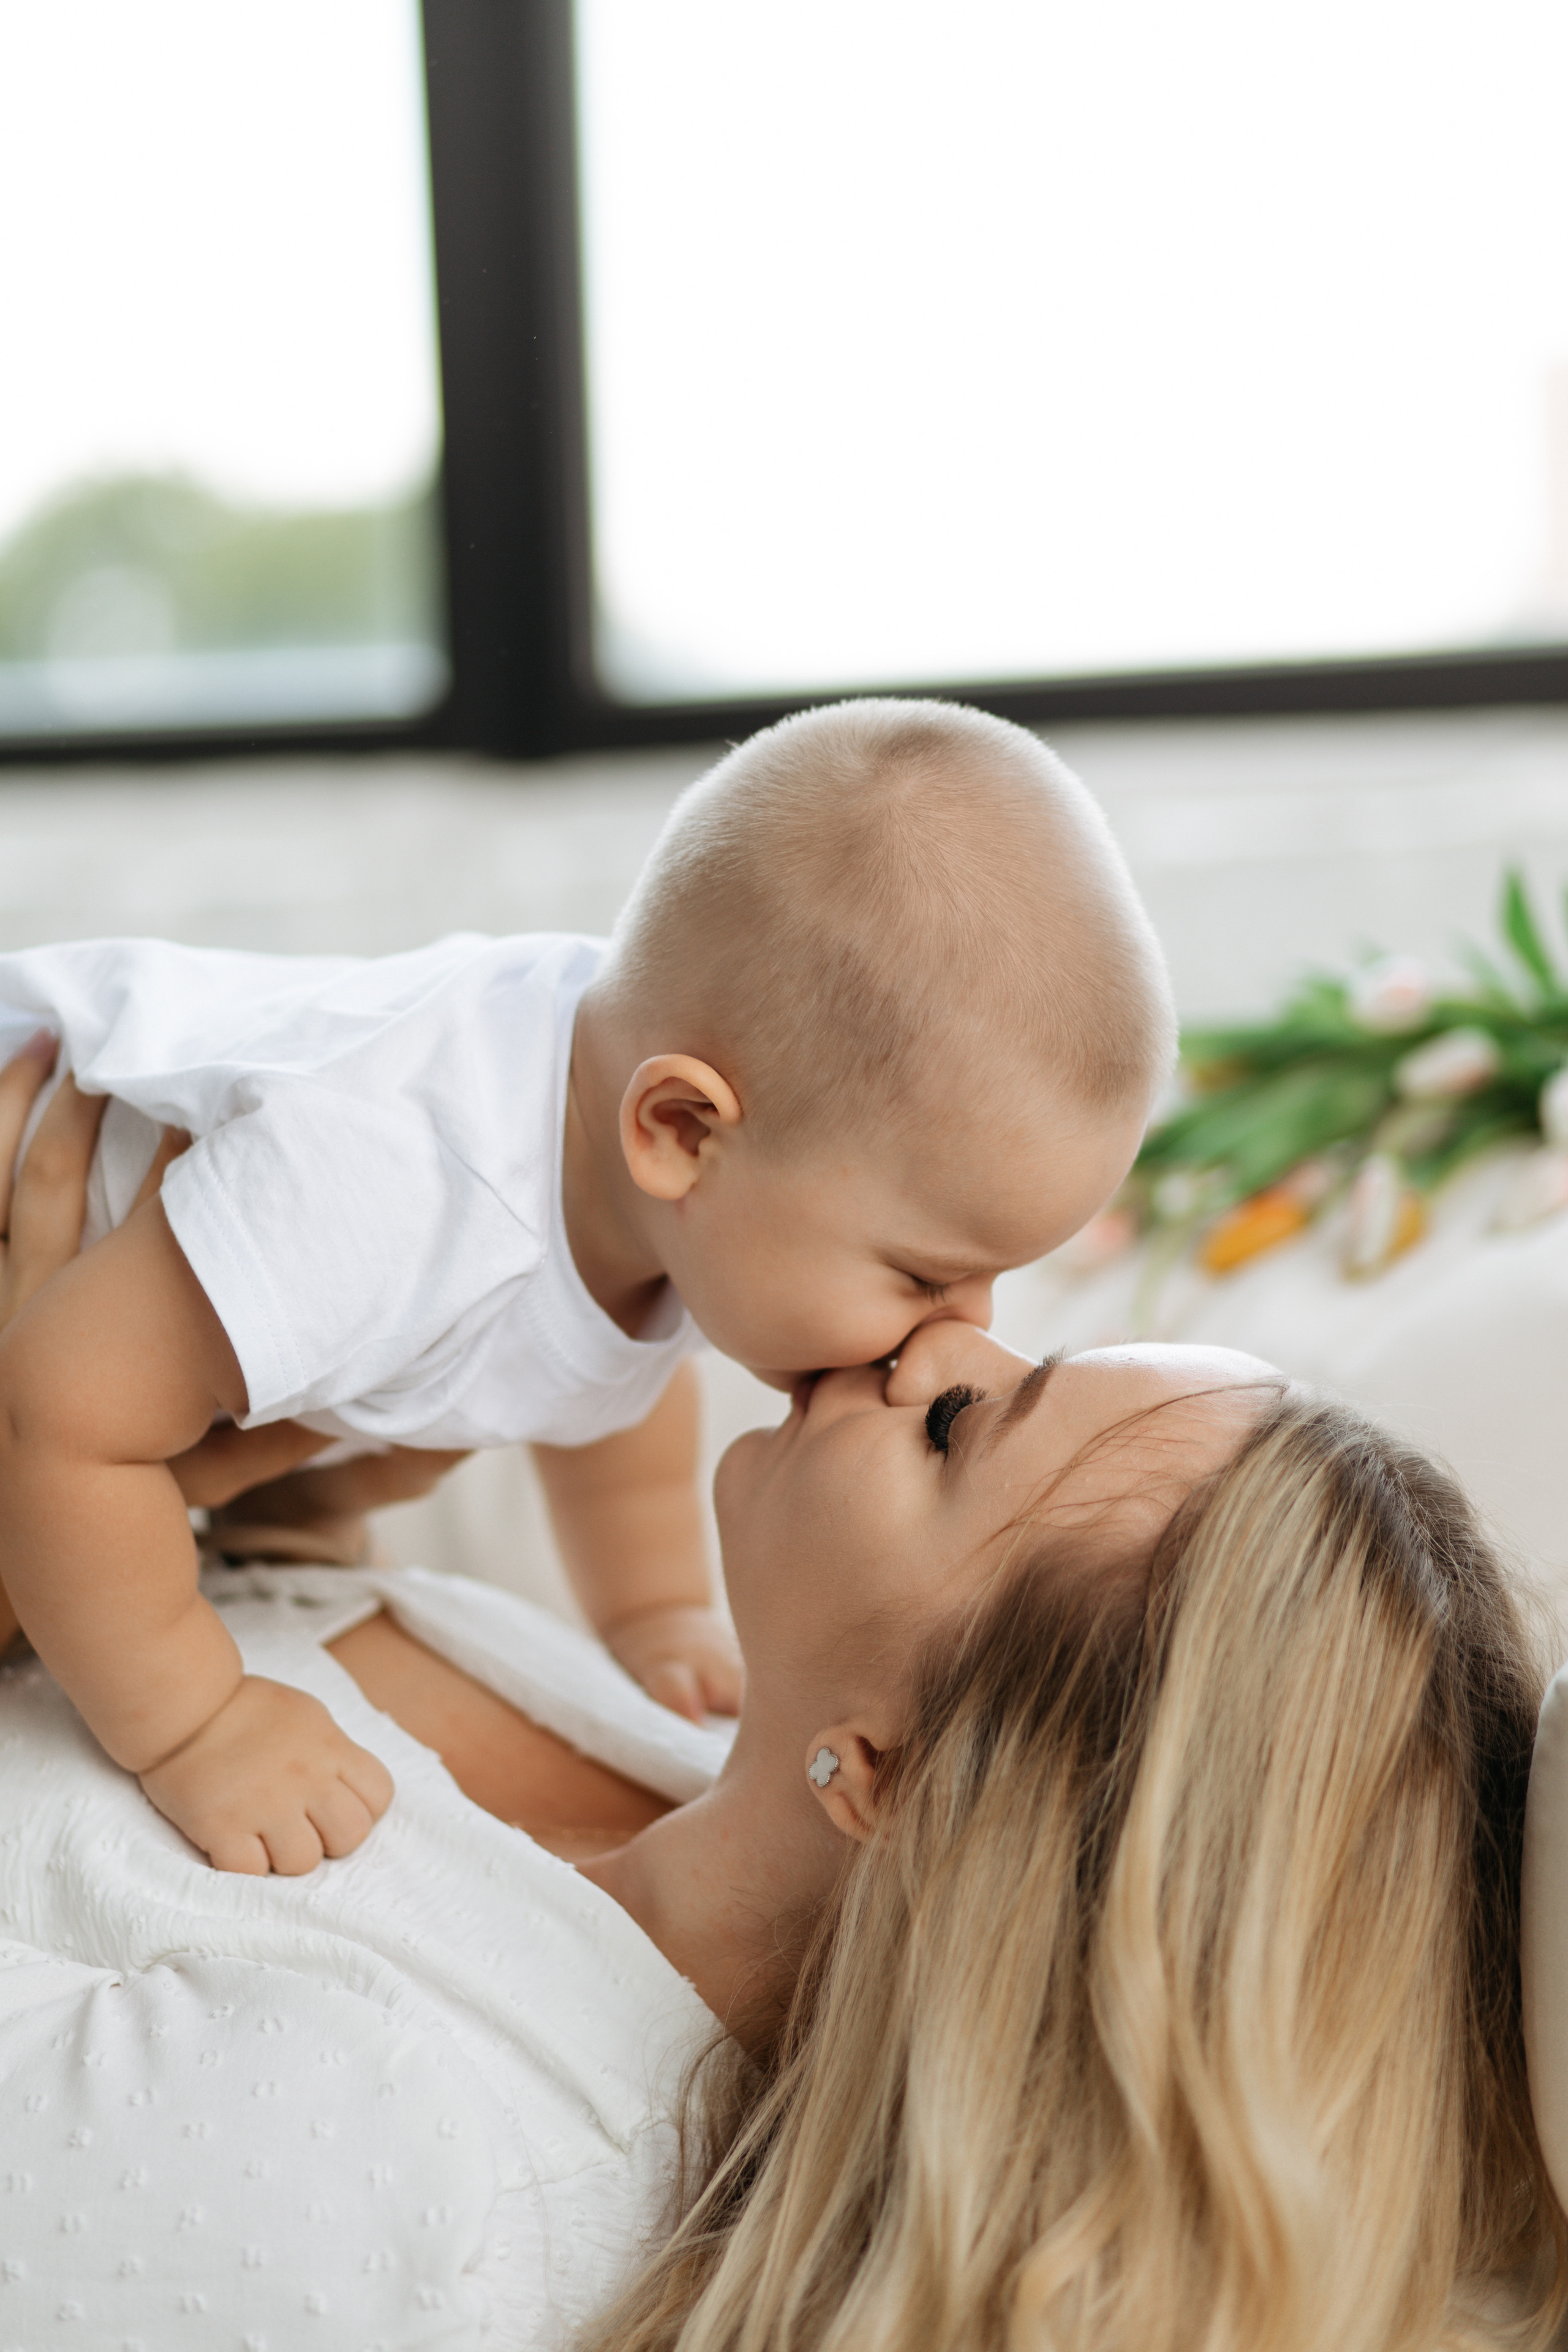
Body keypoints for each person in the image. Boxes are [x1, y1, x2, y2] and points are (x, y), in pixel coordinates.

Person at [0, 1046, 1559, 2351]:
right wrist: (228, 1481)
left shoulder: (405, 2178)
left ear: (888, 1773)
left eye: (961, 1425)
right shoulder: (667, 1730)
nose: (931, 1336)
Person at [0, 698, 1173, 1874]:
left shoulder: (660, 1189)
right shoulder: (400, 1182)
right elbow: (55, 1412)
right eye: (927, 1275)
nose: (960, 1335)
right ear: (681, 1129)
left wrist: (650, 1612)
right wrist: (198, 1719)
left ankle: (273, 1519)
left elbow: (605, 1369)